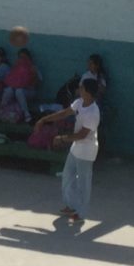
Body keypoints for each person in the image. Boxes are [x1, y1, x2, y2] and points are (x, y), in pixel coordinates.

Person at [40, 77, 101, 226]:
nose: (79, 89)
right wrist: (44, 119)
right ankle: (71, 206)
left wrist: (61, 138)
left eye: (81, 88)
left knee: (83, 183)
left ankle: (81, 213)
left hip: (87, 151)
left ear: (88, 92)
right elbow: (64, 113)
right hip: (76, 148)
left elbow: (82, 135)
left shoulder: (93, 112)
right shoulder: (79, 102)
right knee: (67, 176)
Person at [0, 47, 40, 121]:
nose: (22, 59)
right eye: (20, 57)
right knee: (8, 90)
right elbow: (10, 80)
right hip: (15, 90)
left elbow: (38, 83)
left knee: (19, 91)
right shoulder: (17, 66)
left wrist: (33, 76)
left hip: (29, 91)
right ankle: (1, 110)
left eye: (24, 57)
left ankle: (26, 114)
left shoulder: (33, 67)